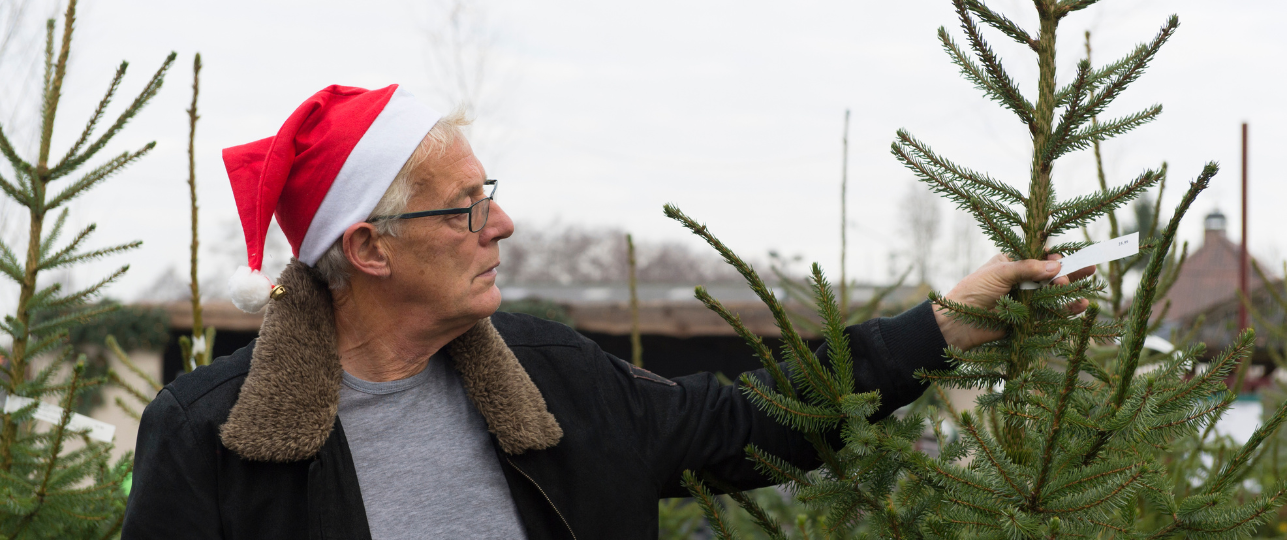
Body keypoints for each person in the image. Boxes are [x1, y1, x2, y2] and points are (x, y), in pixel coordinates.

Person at [121, 85, 1092, 540]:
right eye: (463, 207)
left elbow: (751, 421)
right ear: (370, 249)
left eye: (487, 190)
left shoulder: (555, 380)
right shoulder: (209, 438)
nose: (501, 221)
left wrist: (944, 327)